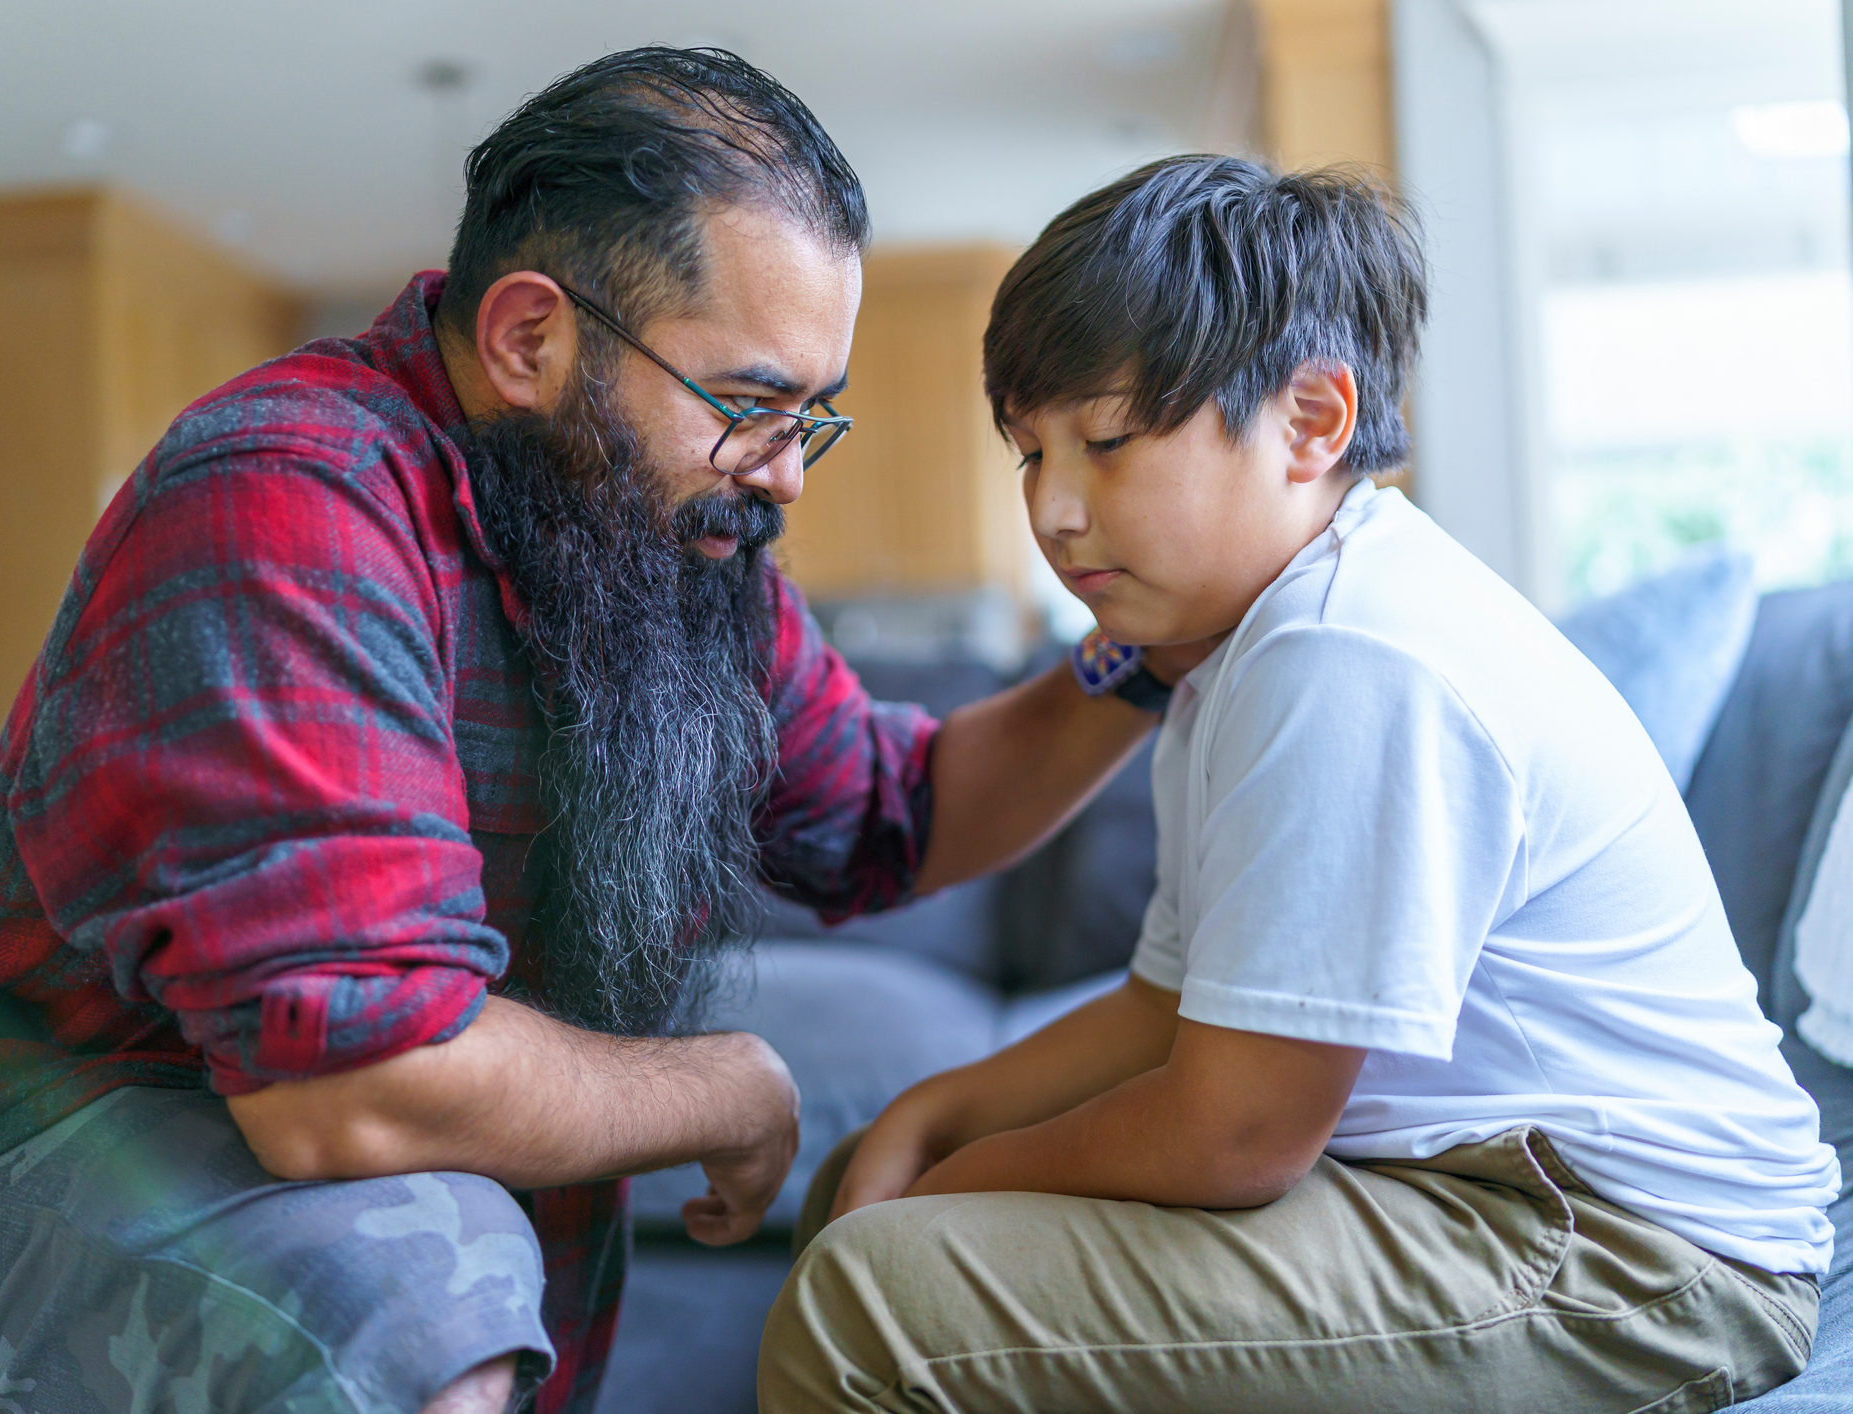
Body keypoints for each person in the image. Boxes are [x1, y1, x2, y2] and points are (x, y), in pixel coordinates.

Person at [0, 49, 1183, 1414]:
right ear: (531, 339)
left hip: (391, 1170)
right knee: (419, 1303)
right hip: (64, 1143)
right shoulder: (287, 501)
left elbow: (900, 806)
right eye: (748, 406)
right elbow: (352, 1082)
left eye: (804, 419)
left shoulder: (671, 544)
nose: (783, 473)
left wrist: (1150, 645)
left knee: (454, 1267)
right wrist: (728, 1087)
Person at [758, 155, 1842, 1413]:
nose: (1053, 511)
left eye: (1104, 443)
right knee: (866, 1179)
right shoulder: (1231, 656)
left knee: (876, 1294)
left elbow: (1238, 1132)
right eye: (1029, 453)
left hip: (1635, 1250)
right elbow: (1166, 1008)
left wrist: (959, 1180)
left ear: (1313, 422)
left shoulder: (1350, 651)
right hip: (1479, 1192)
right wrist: (935, 1114)